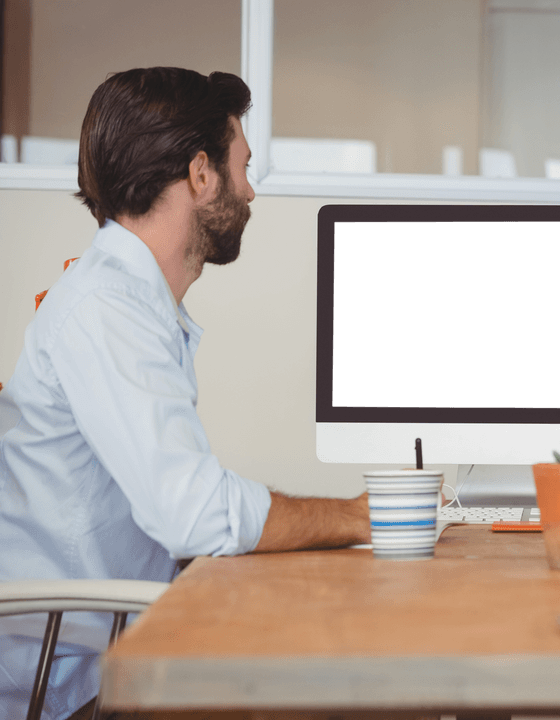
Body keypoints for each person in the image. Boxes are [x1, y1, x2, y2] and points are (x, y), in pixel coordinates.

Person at [0, 68, 370, 720]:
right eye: (242, 167)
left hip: (119, 646)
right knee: (369, 692)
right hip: (78, 683)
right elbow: (193, 513)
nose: (250, 191)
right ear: (201, 174)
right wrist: (365, 517)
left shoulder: (121, 300)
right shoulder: (107, 309)